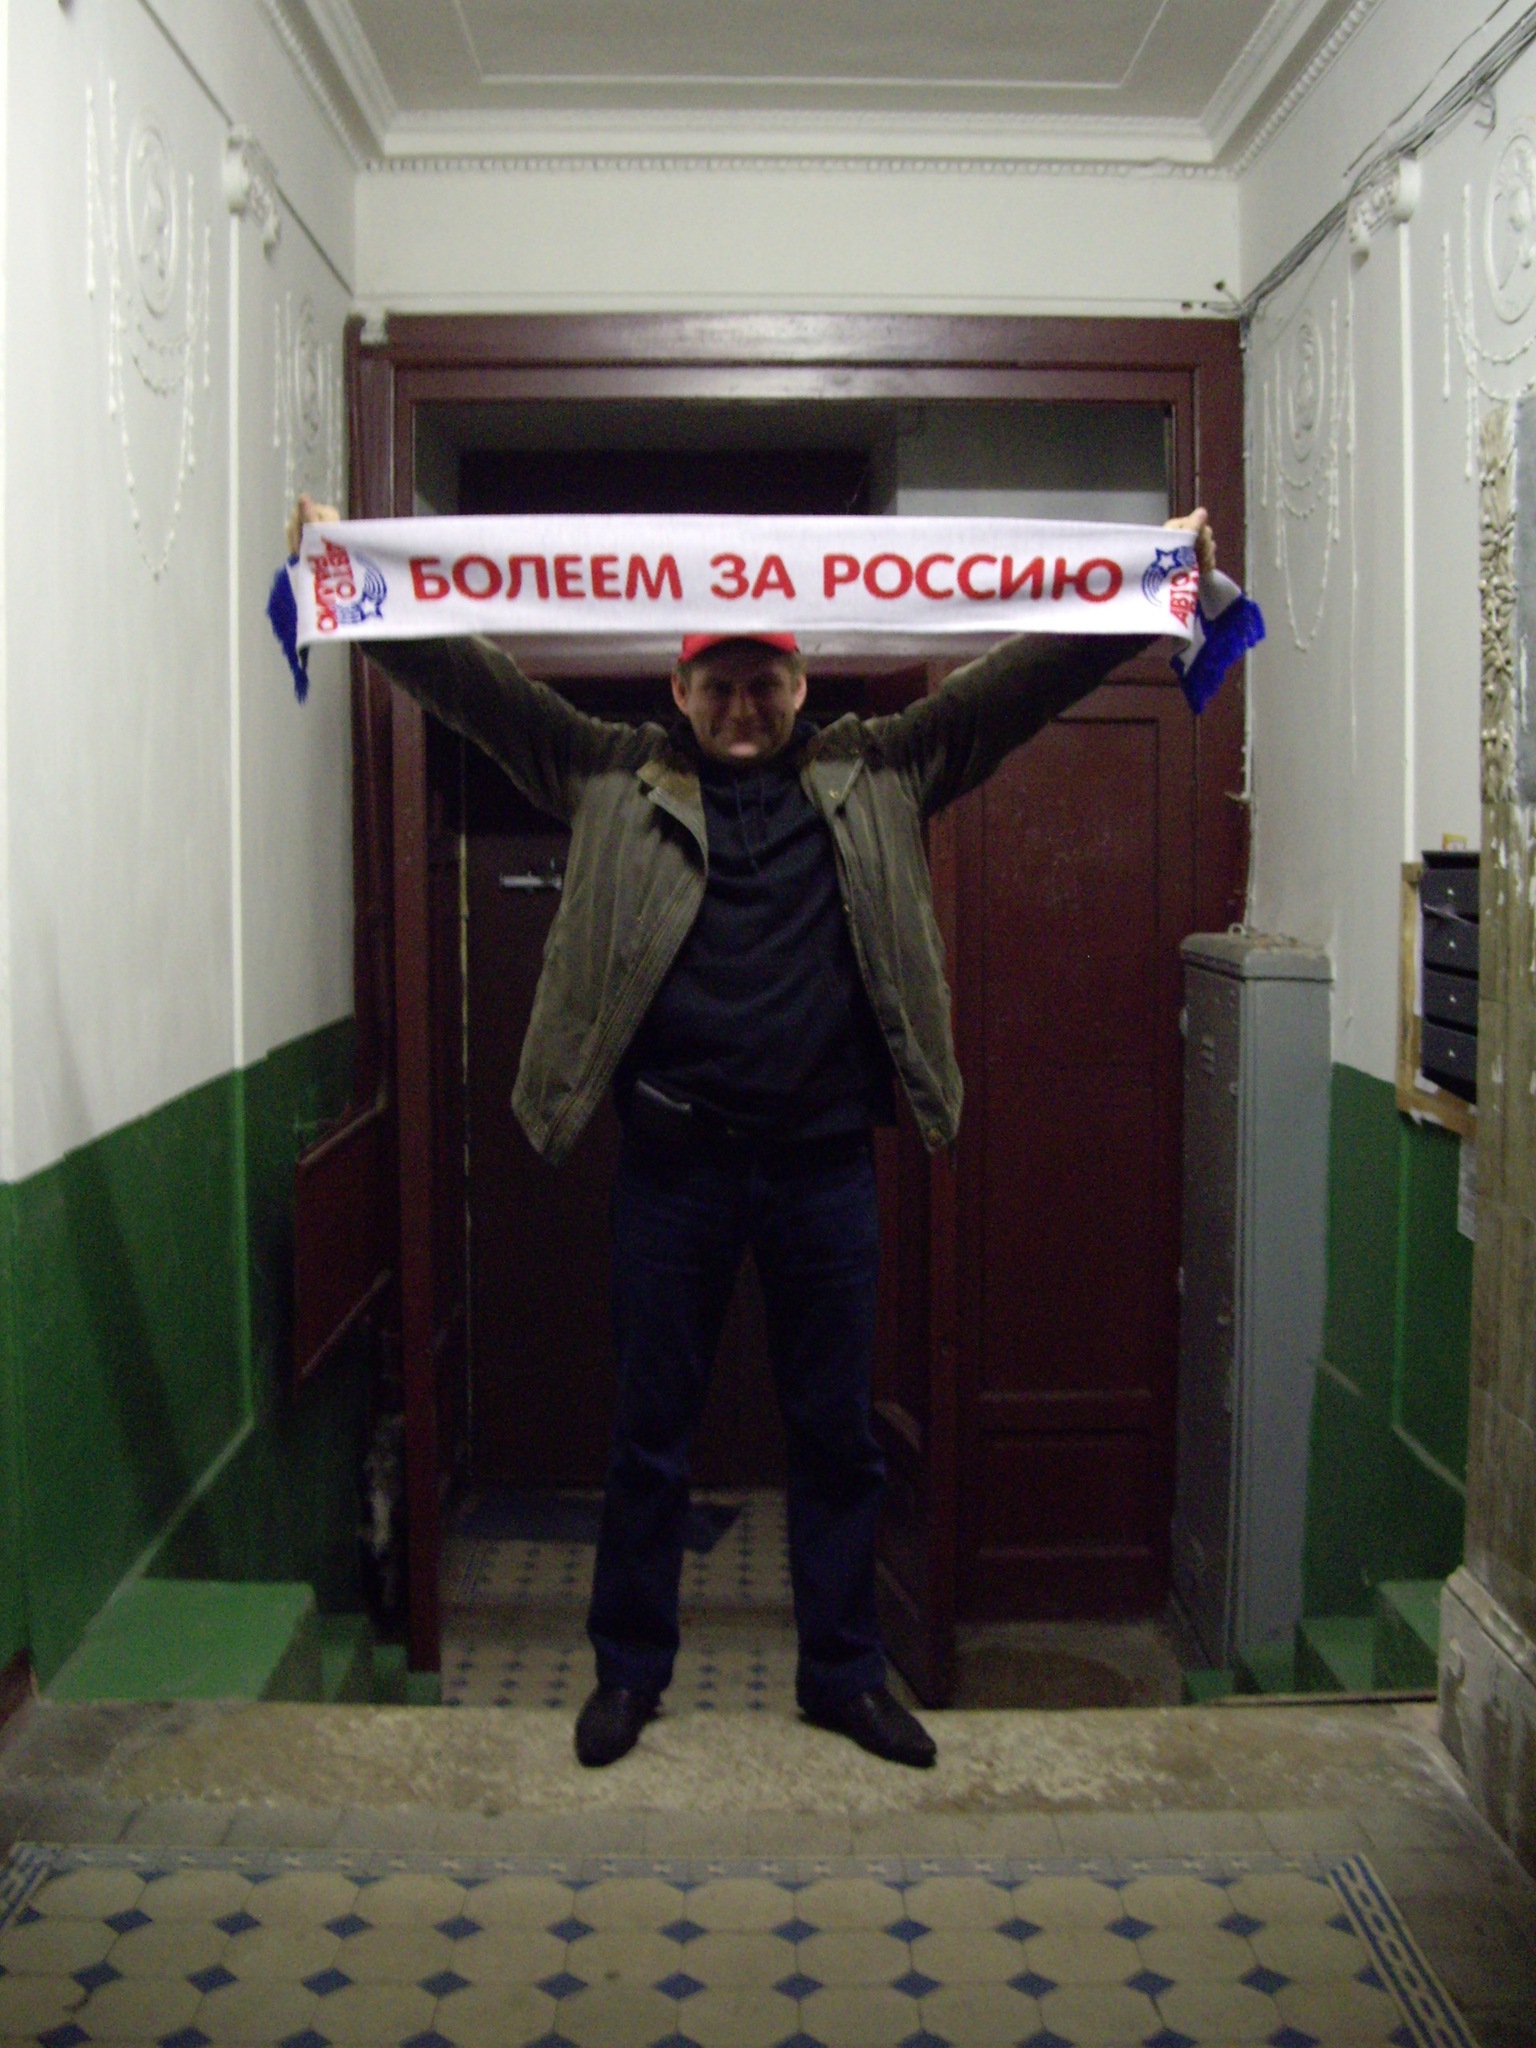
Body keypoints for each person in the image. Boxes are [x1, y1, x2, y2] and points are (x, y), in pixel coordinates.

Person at [291, 494, 1217, 1770]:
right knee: (648, 1437)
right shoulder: (607, 773)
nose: (742, 707)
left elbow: (1016, 685)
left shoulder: (883, 767)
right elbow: (474, 684)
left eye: (764, 682)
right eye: (718, 684)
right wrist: (351, 564)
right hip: (671, 1168)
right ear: (679, 689)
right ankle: (629, 1673)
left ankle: (843, 1674)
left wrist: (1147, 582)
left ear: (802, 681)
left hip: (824, 1169)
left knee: (837, 1437)